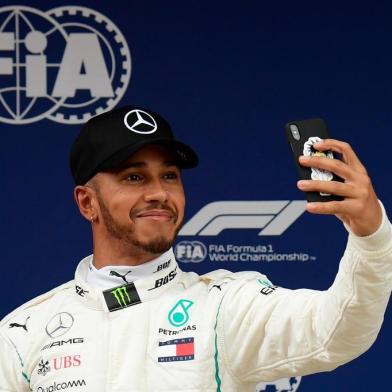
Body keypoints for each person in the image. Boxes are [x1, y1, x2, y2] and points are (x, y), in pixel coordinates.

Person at [0, 105, 390, 392]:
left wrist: (371, 235)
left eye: (169, 176)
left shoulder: (225, 307)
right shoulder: (23, 333)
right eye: (134, 177)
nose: (158, 193)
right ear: (87, 203)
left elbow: (338, 331)